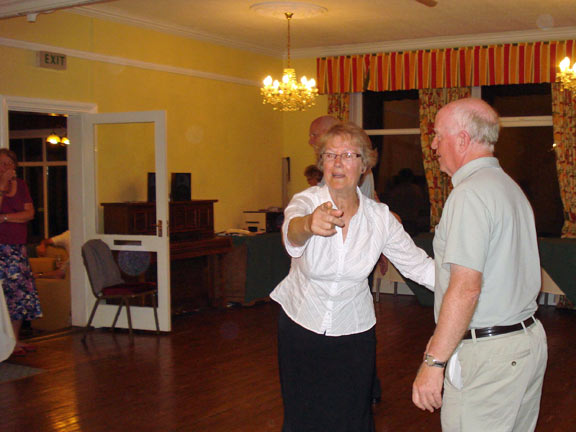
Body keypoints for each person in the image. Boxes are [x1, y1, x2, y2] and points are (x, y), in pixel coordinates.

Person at [272, 122, 435, 431]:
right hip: (301, 324)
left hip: (354, 331)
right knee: (303, 417)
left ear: (364, 164)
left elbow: (420, 267)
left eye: (348, 154)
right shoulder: (307, 202)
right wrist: (309, 224)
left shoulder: (380, 217)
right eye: (330, 154)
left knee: (352, 417)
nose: (337, 162)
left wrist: (466, 284)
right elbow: (291, 232)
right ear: (321, 163)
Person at [411, 98, 547, 432]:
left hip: (490, 356)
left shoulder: (469, 195)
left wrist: (434, 361)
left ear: (461, 140)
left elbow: (466, 287)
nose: (433, 145)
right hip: (525, 342)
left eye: (438, 135)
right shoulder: (509, 188)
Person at [0, 148, 41, 356]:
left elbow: (29, 213)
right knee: (2, 296)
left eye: (9, 163)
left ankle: (14, 341)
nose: (6, 167)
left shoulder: (22, 186)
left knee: (18, 296)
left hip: (17, 248)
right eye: (2, 164)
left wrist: (6, 217)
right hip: (1, 248)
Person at [309, 115, 376, 200]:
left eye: (314, 135)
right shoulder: (332, 171)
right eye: (330, 155)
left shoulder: (353, 170)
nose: (310, 141)